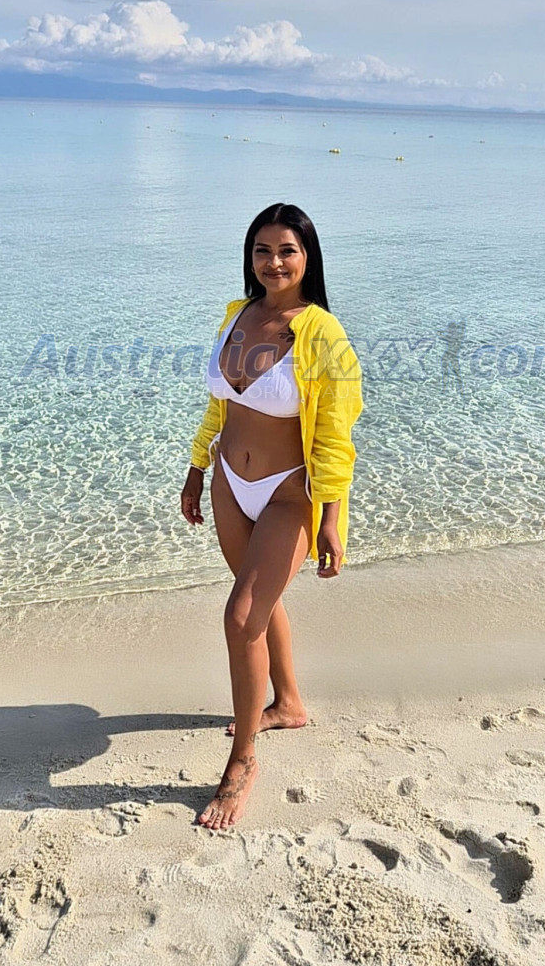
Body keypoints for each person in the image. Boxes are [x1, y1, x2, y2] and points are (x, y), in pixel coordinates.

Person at [180, 202, 364, 829]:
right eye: (263, 250)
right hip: (230, 483)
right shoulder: (237, 314)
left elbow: (335, 437)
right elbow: (219, 403)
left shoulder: (325, 335)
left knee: (240, 617)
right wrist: (198, 466)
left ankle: (242, 763)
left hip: (290, 492)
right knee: (257, 603)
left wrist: (330, 518)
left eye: (287, 250)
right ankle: (287, 703)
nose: (274, 262)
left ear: (308, 257)